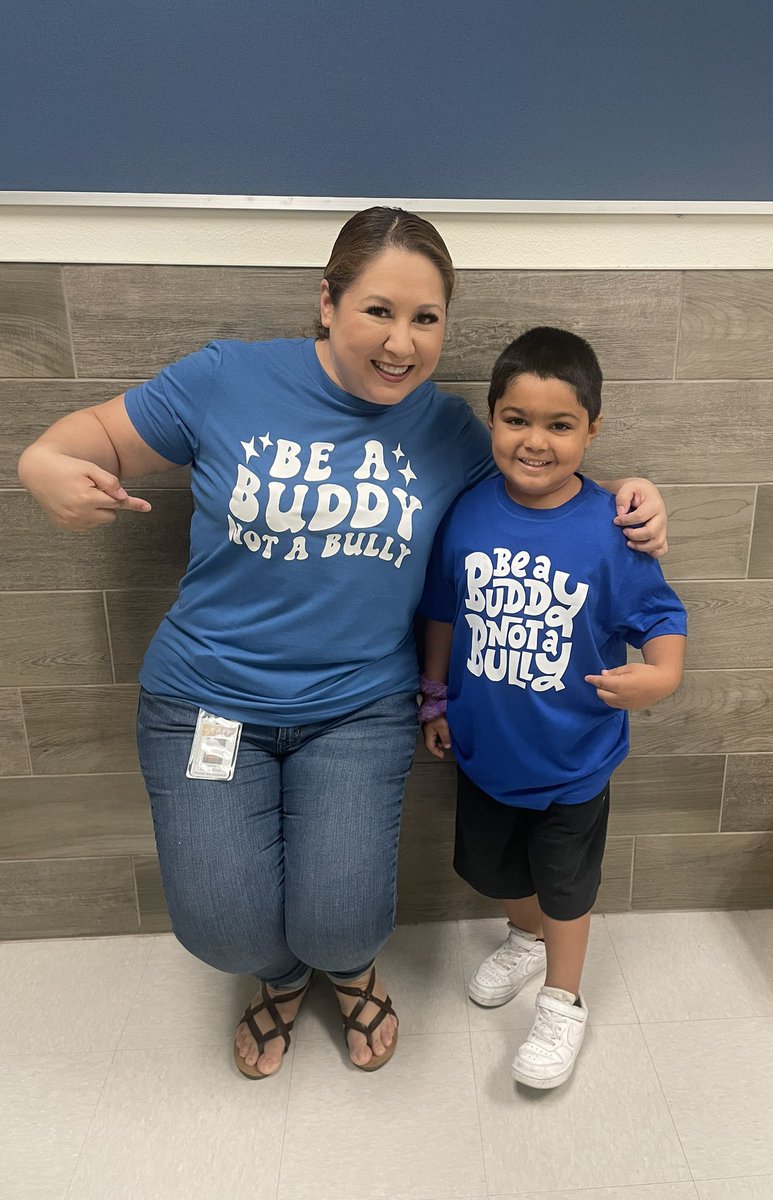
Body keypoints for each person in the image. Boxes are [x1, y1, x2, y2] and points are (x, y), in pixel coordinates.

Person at [17, 209, 670, 1081]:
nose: (402, 343)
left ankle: (347, 968)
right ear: (327, 303)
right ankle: (282, 977)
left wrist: (634, 489)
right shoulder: (228, 377)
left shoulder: (448, 431)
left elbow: (548, 475)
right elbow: (91, 437)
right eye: (378, 311)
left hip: (357, 710)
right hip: (205, 700)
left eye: (426, 318)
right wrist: (42, 463)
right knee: (221, 934)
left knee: (345, 925)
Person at [419, 326, 686, 1089]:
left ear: (591, 430)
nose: (535, 441)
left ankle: (564, 1000)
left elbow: (661, 616)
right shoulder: (467, 514)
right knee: (501, 867)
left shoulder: (611, 529)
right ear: (492, 419)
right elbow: (441, 609)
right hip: (485, 750)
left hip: (575, 758)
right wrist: (434, 697)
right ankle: (525, 939)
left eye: (559, 424)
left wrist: (662, 676)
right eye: (517, 420)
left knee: (566, 885)